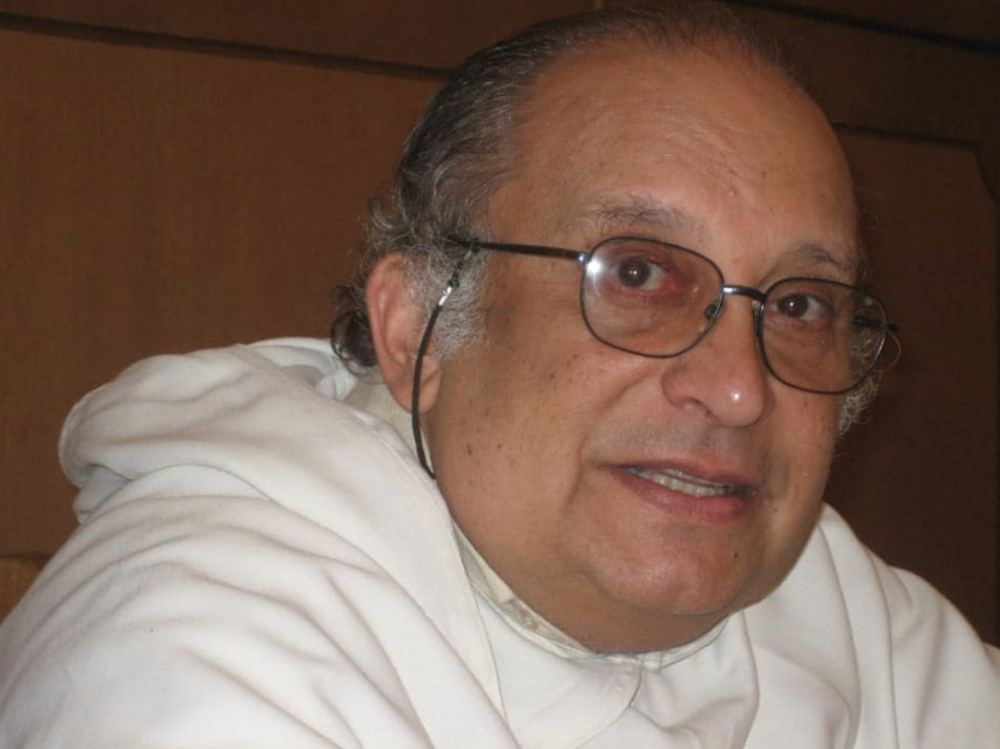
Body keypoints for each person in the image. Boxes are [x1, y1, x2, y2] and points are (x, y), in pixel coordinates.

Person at [1, 4, 997, 748]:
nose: (739, 389)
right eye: (637, 274)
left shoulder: (835, 598)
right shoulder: (201, 661)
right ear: (416, 329)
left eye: (800, 304)